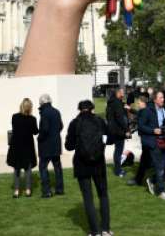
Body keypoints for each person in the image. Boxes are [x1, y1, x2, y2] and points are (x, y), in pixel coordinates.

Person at [66, 99, 111, 236]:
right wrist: (100, 146)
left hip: (82, 163)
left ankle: (95, 231)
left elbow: (69, 146)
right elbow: (109, 139)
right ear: (92, 108)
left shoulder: (75, 123)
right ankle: (105, 229)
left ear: (79, 109)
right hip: (98, 163)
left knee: (88, 197)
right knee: (103, 195)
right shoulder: (100, 121)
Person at [138, 90, 165, 200]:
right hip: (154, 141)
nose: (163, 99)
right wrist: (153, 130)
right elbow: (141, 126)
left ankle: (152, 180)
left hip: (164, 141)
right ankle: (161, 191)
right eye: (161, 97)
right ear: (155, 99)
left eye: (163, 97)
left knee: (164, 164)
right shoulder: (147, 111)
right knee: (158, 166)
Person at [7, 97, 39, 198]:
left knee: (16, 169)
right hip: (27, 146)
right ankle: (28, 190)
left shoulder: (15, 117)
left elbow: (14, 128)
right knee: (28, 170)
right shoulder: (32, 119)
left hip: (16, 145)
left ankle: (16, 191)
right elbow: (35, 132)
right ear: (30, 107)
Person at [37, 93, 65, 198]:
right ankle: (60, 189)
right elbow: (61, 126)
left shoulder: (44, 113)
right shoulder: (56, 111)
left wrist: (39, 138)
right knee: (57, 167)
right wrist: (55, 133)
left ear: (42, 103)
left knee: (43, 167)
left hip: (46, 145)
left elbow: (44, 129)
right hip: (56, 143)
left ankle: (47, 191)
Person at [105, 87, 129, 178]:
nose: (124, 94)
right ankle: (118, 170)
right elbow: (120, 118)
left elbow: (108, 116)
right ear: (118, 93)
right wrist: (126, 129)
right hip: (118, 130)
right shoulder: (117, 103)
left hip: (113, 129)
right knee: (118, 150)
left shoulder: (111, 103)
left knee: (118, 150)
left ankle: (118, 168)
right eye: (122, 92)